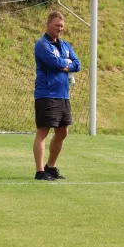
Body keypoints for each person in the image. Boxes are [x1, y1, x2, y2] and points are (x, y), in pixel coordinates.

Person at [33, 11, 81, 181]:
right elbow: (53, 63)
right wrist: (66, 63)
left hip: (63, 95)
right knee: (43, 131)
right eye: (56, 25)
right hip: (47, 94)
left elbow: (78, 64)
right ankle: (39, 172)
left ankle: (50, 167)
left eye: (61, 26)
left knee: (63, 132)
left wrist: (67, 64)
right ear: (48, 25)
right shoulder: (42, 45)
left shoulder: (65, 45)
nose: (59, 29)